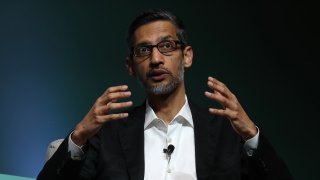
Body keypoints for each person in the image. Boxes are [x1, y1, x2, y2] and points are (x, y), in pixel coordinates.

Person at [37, 9, 292, 180]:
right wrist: (79, 136)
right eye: (144, 50)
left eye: (167, 46)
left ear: (187, 56)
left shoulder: (228, 132)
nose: (156, 59)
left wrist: (251, 135)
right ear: (131, 67)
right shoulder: (107, 136)